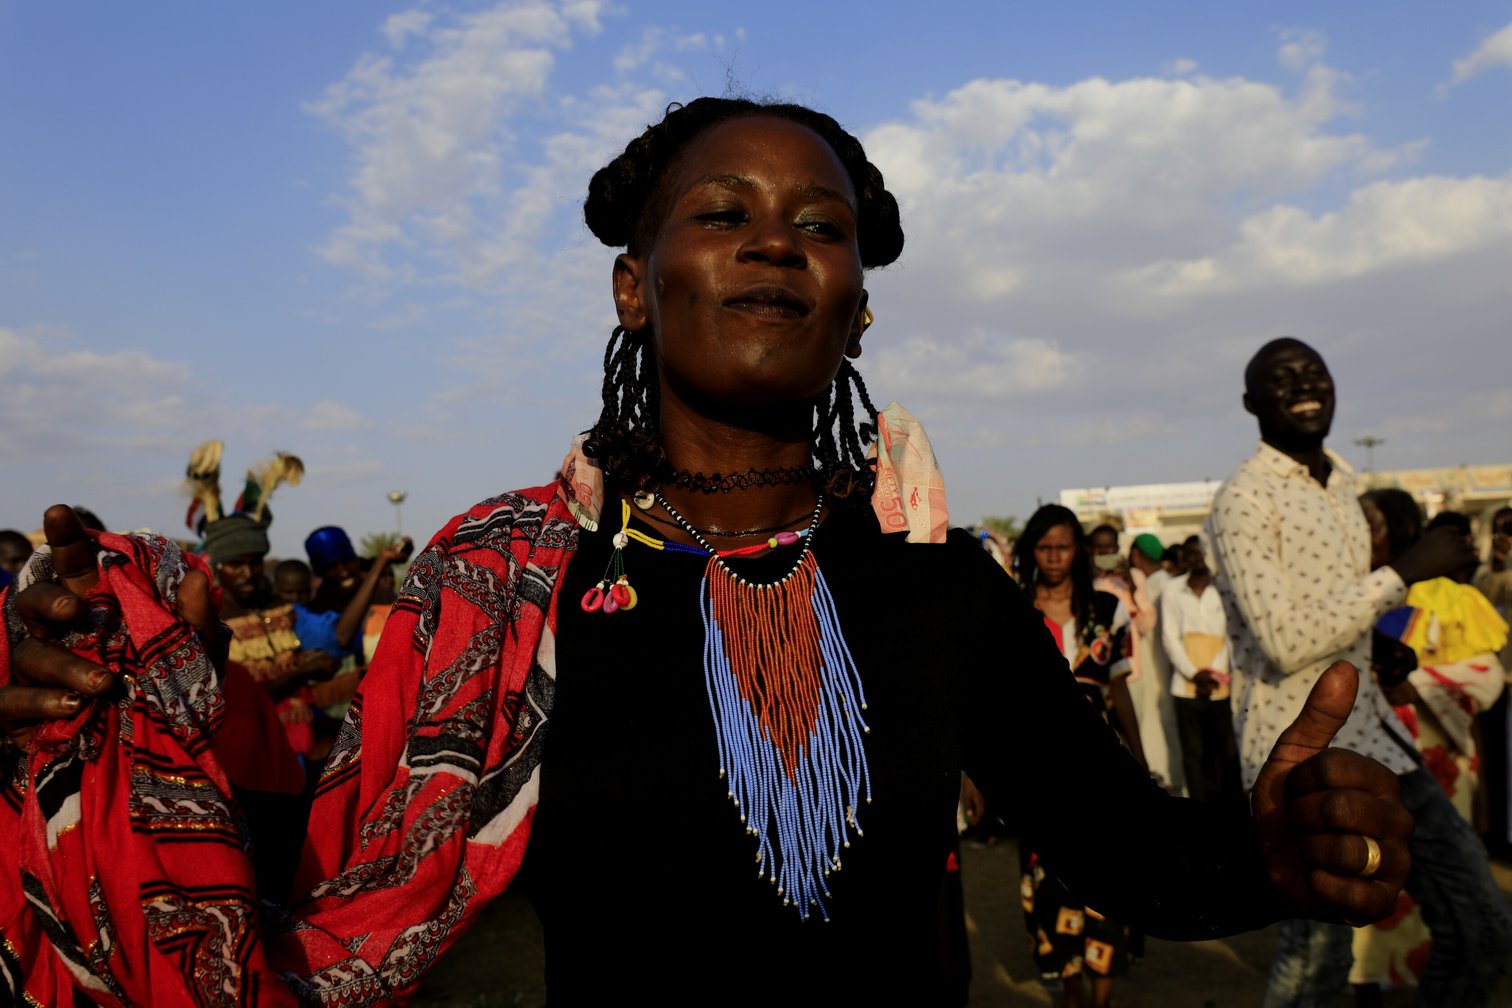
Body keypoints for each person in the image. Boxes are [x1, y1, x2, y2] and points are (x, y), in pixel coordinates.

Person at [2, 101, 1413, 1008]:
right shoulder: (506, 586)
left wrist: (1269, 853)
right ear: (636, 283)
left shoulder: (936, 583)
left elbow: (1139, 862)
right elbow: (313, 845)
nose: (775, 247)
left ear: (860, 311)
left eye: (821, 229)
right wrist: (93, 697)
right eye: (722, 213)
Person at [1204, 337, 1512, 1007]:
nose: (1303, 384)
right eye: (1282, 378)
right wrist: (1401, 573)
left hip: (1379, 740)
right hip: (1301, 754)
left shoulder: (1342, 481)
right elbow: (1284, 639)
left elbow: (1324, 608)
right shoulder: (1243, 501)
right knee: (1318, 957)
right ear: (1253, 403)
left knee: (1482, 921)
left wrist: (1375, 643)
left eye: (1314, 371)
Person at [1351, 491, 1509, 1001]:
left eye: (1371, 523)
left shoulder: (1454, 596)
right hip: (1370, 763)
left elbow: (1485, 677)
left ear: (1398, 527)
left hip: (1437, 764)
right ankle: (1370, 983)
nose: (1360, 534)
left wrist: (1419, 687)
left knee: (1457, 914)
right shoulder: (1352, 597)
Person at [1011, 505, 1144, 1006]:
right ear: (1030, 552)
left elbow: (1120, 693)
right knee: (1050, 885)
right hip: (1037, 777)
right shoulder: (1014, 612)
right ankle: (1072, 994)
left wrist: (1140, 756)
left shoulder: (1107, 612)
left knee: (1109, 881)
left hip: (1104, 776)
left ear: (1078, 551)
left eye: (1062, 547)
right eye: (1043, 548)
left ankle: (1102, 996)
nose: (1053, 557)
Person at [1161, 537, 1241, 803]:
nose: (1197, 559)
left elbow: (1231, 635)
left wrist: (1214, 673)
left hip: (1221, 685)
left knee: (1226, 752)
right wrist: (1194, 674)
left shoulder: (1224, 587)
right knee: (1193, 755)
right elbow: (1169, 637)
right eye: (1190, 554)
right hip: (1185, 685)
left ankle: (1232, 812)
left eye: (1201, 553)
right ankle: (1198, 815)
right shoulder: (1173, 590)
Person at [1476, 505, 1512, 858]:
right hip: (1504, 674)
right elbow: (1485, 604)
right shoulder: (1495, 571)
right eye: (1503, 528)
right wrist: (1498, 565)